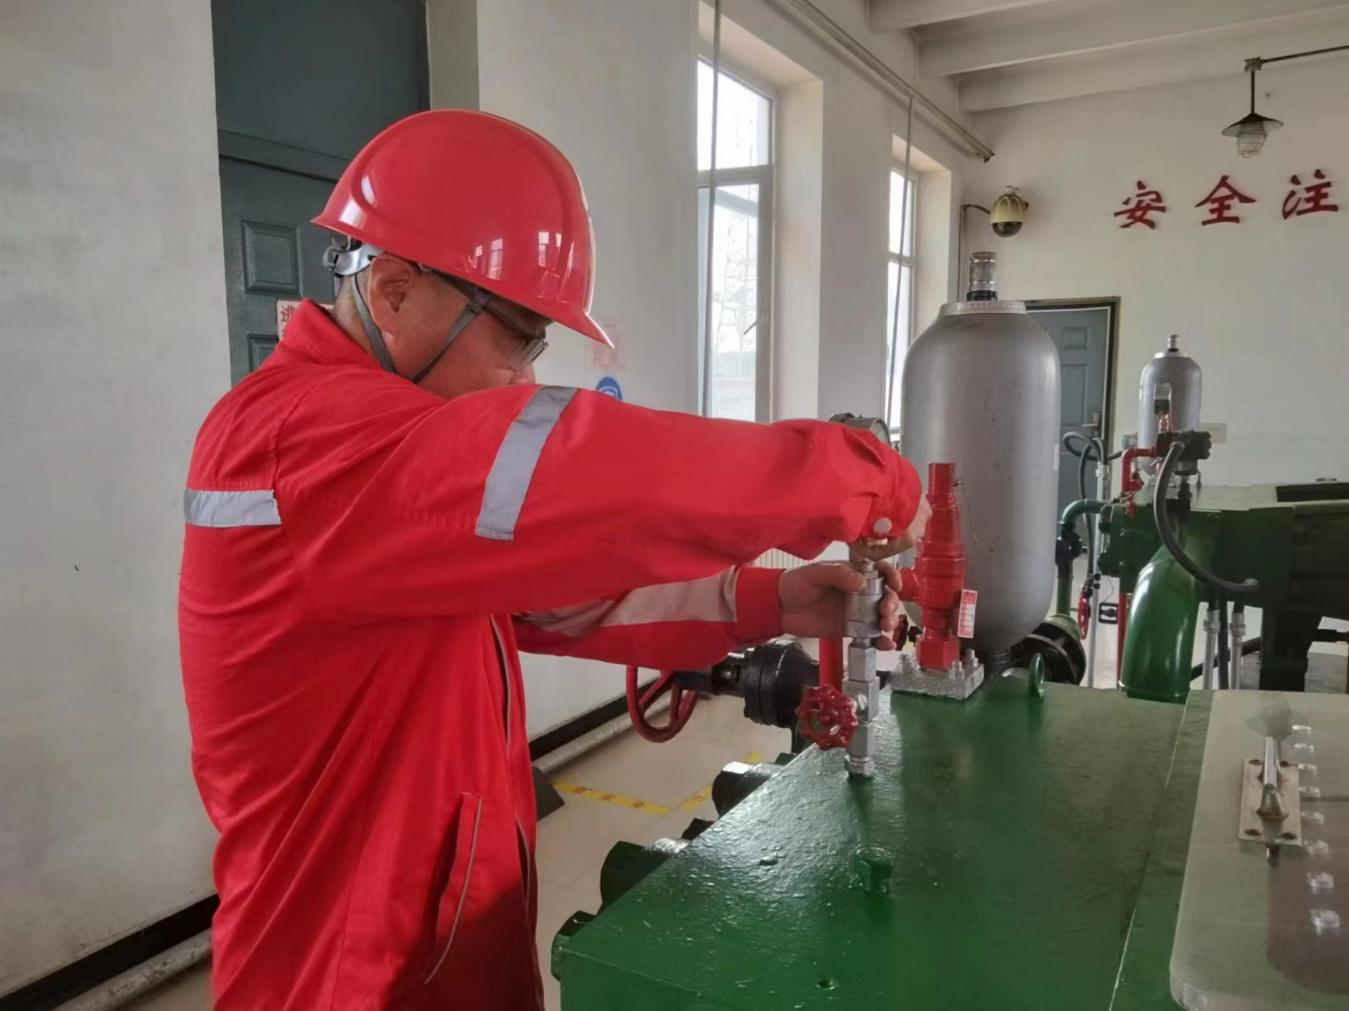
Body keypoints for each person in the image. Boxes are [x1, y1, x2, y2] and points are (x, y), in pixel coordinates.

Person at [179, 109, 929, 1010]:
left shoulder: (384, 488)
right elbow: (584, 470)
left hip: (435, 932)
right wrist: (868, 480)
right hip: (345, 972)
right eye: (517, 335)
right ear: (393, 290)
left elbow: (545, 602)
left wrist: (774, 598)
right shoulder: (304, 440)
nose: (525, 376)